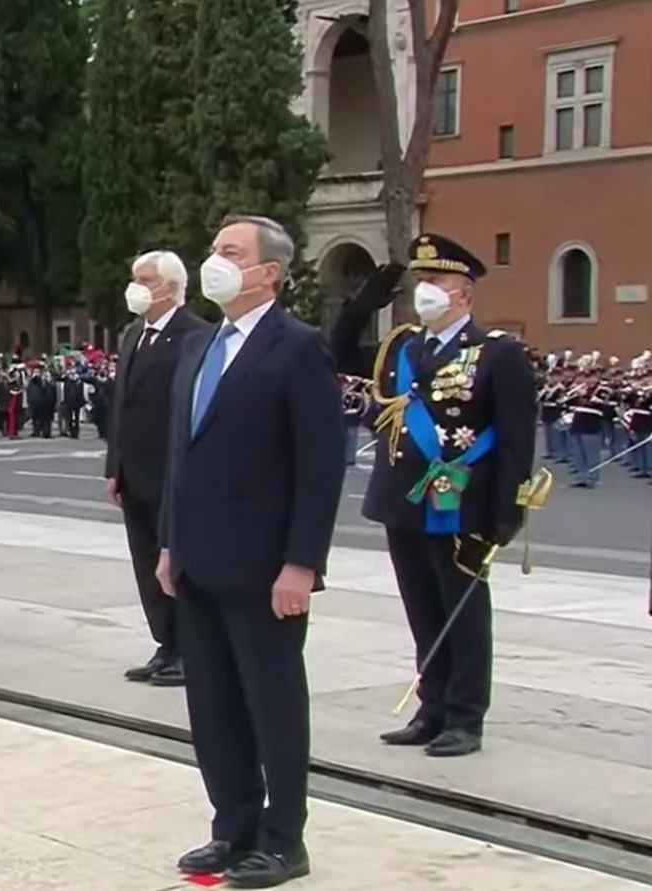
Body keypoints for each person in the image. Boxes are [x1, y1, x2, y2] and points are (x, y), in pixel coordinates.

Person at [158, 216, 345, 887]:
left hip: (265, 567)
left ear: (269, 272)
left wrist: (302, 561)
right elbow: (183, 453)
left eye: (231, 252)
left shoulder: (297, 348)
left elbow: (321, 464)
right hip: (198, 559)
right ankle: (231, 825)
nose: (216, 261)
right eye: (213, 250)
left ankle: (282, 836)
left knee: (271, 704)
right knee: (212, 703)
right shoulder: (202, 345)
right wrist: (168, 542)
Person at [330, 234, 537, 759]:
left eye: (437, 283)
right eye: (421, 282)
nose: (426, 292)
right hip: (403, 498)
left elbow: (516, 438)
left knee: (461, 611)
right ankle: (432, 706)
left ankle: (466, 716)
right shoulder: (403, 347)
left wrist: (507, 511)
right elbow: (336, 352)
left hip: (460, 502)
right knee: (422, 608)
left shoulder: (497, 354)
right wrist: (365, 301)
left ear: (463, 294)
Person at [104, 249, 207, 686]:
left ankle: (190, 648)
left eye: (145, 279)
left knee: (176, 561)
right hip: (134, 470)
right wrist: (114, 466)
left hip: (171, 470)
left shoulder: (194, 335)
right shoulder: (133, 334)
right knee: (146, 561)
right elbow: (121, 406)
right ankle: (165, 642)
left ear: (170, 285)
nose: (136, 287)